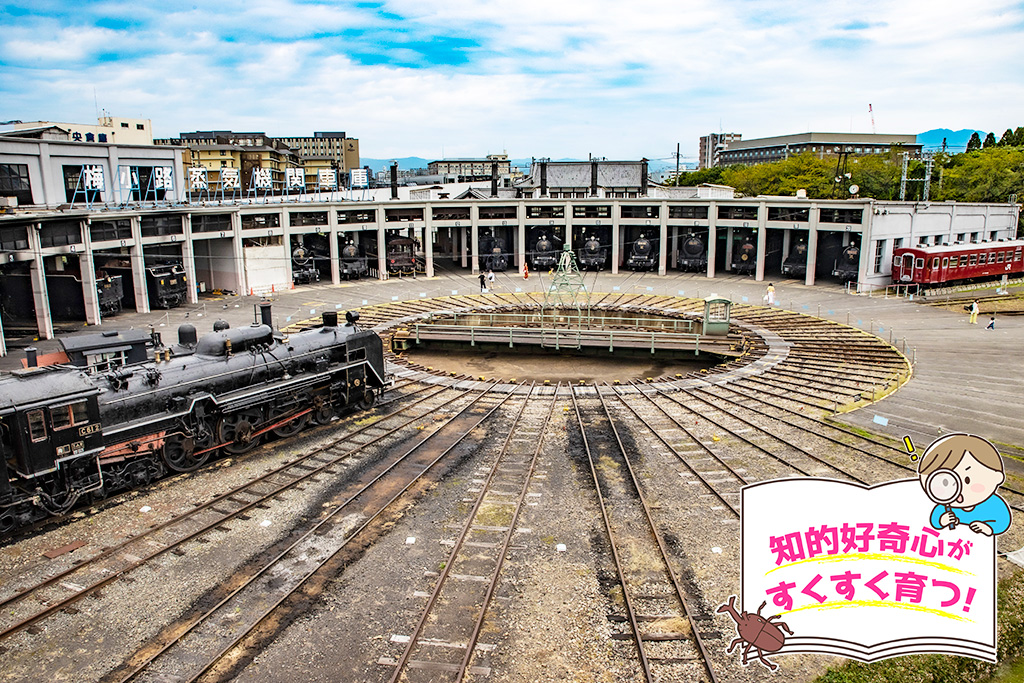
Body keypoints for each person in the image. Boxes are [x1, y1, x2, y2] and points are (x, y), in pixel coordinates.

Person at [918, 433, 1011, 536]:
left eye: (967, 480)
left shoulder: (995, 504)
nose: (958, 488)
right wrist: (942, 521)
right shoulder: (946, 504)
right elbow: (935, 519)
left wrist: (988, 529)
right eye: (945, 482)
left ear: (997, 477)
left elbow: (1003, 522)